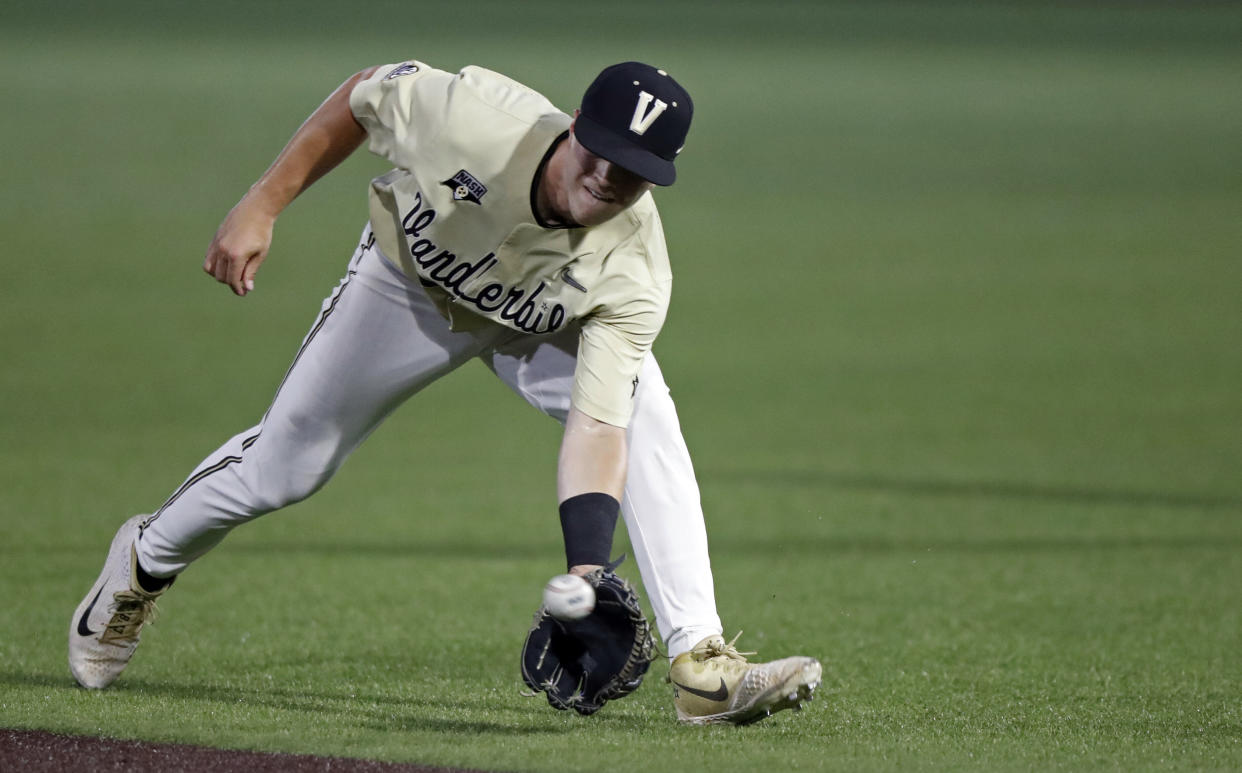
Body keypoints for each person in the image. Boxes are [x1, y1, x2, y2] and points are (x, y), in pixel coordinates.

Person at [68, 59, 821, 725]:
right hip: (409, 289)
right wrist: (264, 203)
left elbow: (597, 428)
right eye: (601, 152)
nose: (606, 178)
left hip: (536, 324)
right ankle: (144, 559)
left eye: (632, 171)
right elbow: (360, 97)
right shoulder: (470, 119)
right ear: (575, 127)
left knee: (645, 409)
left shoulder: (635, 268)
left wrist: (588, 572)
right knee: (285, 466)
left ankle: (701, 664)